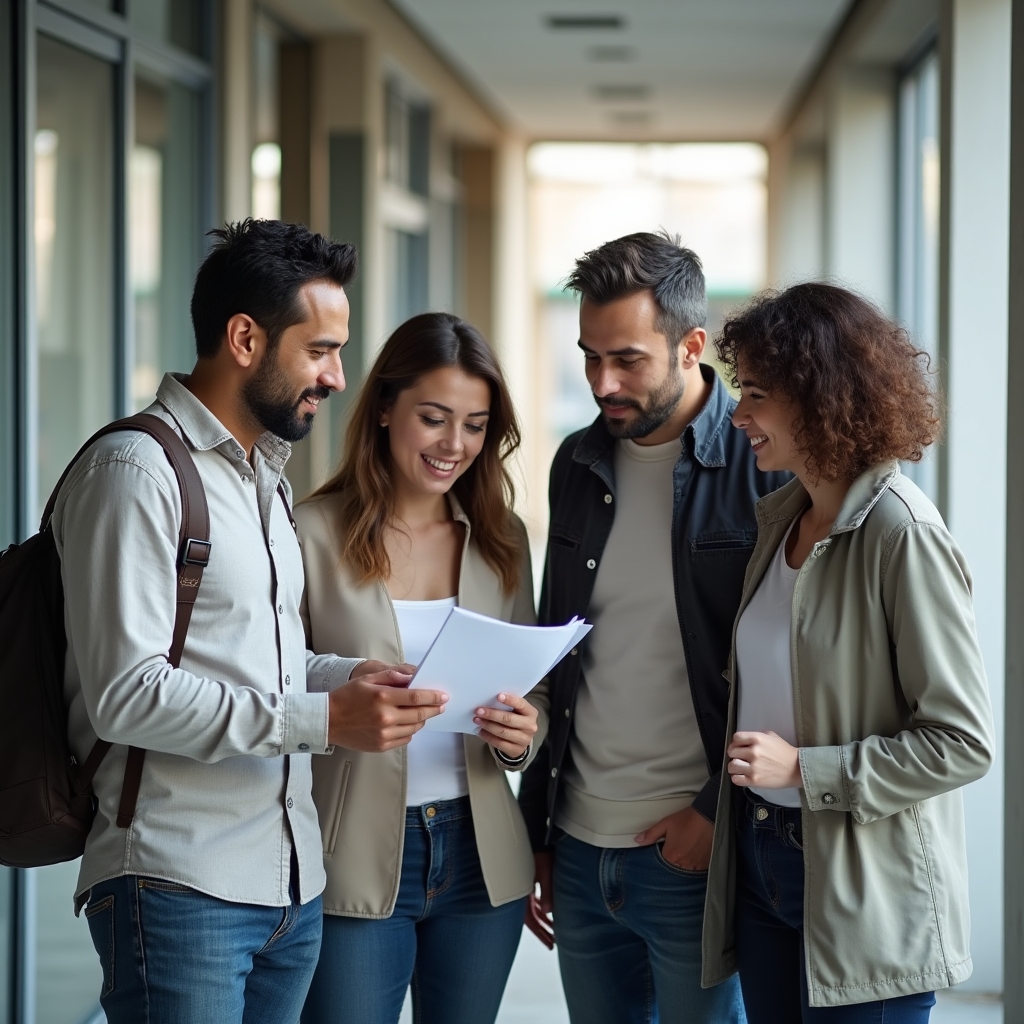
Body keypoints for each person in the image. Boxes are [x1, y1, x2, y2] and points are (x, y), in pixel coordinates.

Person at [56, 219, 449, 1024]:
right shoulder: (135, 471)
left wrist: (352, 678)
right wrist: (325, 719)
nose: (338, 377)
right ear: (244, 339)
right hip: (177, 883)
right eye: (320, 350)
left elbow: (257, 659)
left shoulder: (263, 476)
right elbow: (127, 695)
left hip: (289, 889)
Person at [702, 283, 995, 1022]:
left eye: (757, 395)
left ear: (819, 397)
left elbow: (962, 743)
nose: (738, 415)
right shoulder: (779, 522)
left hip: (866, 887)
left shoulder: (904, 535)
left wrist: (805, 769)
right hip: (763, 859)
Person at [518, 231, 787, 1024]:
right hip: (578, 846)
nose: (602, 382)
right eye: (589, 357)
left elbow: (791, 670)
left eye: (627, 360)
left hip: (695, 853)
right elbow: (558, 652)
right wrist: (539, 829)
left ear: (691, 347)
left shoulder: (765, 466)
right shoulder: (576, 464)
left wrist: (714, 813)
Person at [296, 311, 548, 1024]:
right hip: (350, 856)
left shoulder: (502, 541)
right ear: (384, 408)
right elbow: (271, 680)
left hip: (482, 857)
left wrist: (520, 737)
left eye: (475, 426)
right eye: (433, 418)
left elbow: (535, 694)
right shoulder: (309, 531)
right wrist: (346, 684)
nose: (454, 444)